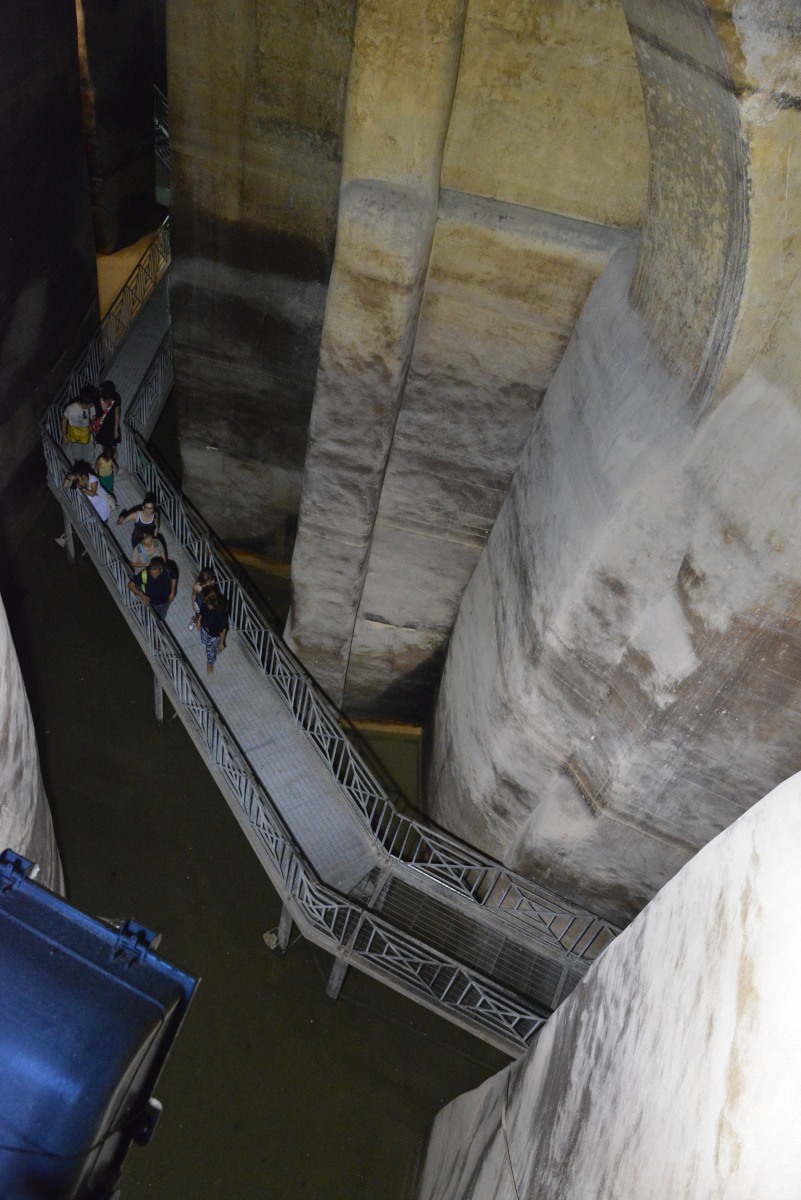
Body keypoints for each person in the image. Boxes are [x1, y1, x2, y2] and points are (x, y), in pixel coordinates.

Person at [61, 385, 98, 463]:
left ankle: (88, 468)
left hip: (88, 435)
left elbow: (92, 418)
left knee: (89, 454)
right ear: (86, 403)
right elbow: (64, 420)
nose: (92, 405)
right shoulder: (71, 408)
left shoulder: (91, 406)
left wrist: (92, 425)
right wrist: (64, 435)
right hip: (75, 436)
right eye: (91, 404)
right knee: (77, 455)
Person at [197, 588, 228, 674]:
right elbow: (202, 611)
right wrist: (199, 620)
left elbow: (223, 629)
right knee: (204, 641)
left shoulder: (219, 613)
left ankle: (210, 663)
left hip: (213, 635)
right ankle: (216, 650)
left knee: (209, 650)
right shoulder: (205, 604)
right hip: (204, 628)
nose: (203, 602)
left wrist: (221, 642)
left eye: (205, 601)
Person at [91, 381, 121, 451]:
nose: (111, 402)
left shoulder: (116, 398)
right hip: (101, 426)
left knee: (113, 446)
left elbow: (117, 414)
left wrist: (116, 430)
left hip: (112, 423)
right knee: (104, 445)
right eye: (109, 400)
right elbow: (93, 414)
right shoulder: (97, 400)